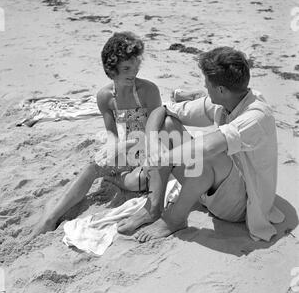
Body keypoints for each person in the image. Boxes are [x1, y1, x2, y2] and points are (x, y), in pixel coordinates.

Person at [129, 46, 285, 243]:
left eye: (207, 84)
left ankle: (174, 219)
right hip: (215, 184)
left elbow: (209, 146)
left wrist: (161, 158)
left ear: (221, 89)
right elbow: (163, 110)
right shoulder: (228, 99)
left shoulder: (256, 116)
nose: (204, 87)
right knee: (167, 125)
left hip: (242, 205)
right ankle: (154, 207)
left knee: (211, 153)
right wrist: (152, 144)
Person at [28, 31, 163, 239]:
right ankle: (51, 217)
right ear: (111, 69)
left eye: (136, 67)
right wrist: (111, 149)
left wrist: (123, 149)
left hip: (150, 147)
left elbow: (154, 131)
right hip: (127, 148)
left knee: (137, 183)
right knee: (93, 166)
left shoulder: (148, 90)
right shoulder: (105, 97)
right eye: (126, 68)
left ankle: (115, 179)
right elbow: (111, 132)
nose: (133, 73)